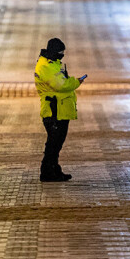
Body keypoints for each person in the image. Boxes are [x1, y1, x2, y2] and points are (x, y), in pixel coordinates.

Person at [34, 38, 86, 182]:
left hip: (59, 109)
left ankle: (54, 170)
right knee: (53, 142)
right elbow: (61, 85)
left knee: (56, 142)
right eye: (60, 52)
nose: (62, 55)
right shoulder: (46, 66)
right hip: (53, 110)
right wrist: (76, 82)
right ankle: (47, 172)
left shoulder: (53, 63)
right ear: (53, 52)